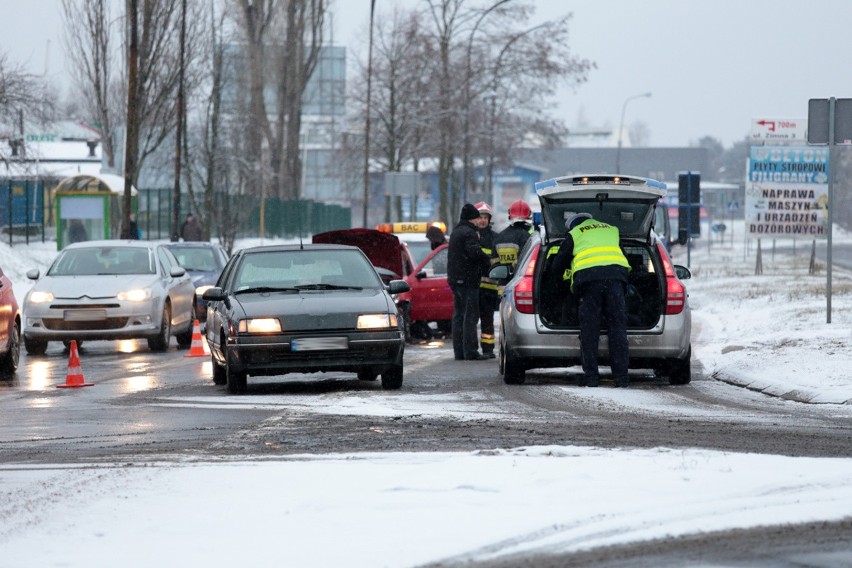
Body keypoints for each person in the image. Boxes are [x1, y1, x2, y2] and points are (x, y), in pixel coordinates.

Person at [551, 212, 631, 388]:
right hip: (616, 279)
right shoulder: (611, 230)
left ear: (572, 225)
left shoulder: (575, 234)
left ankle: (592, 377)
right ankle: (621, 377)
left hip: (589, 281)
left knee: (590, 329)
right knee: (617, 328)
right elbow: (624, 256)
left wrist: (557, 284)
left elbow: (558, 265)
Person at [447, 203, 492, 361]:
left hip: (455, 279)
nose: (478, 220)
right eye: (477, 217)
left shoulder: (456, 231)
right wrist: (488, 261)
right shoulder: (469, 233)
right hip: (468, 280)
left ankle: (459, 351)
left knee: (458, 315)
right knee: (470, 316)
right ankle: (471, 351)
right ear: (471, 218)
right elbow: (475, 253)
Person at [473, 201, 499, 358]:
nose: (483, 220)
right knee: (471, 320)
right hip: (474, 287)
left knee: (487, 321)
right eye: (480, 217)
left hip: (489, 288)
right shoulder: (471, 236)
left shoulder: (495, 238)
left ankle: (488, 350)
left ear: (489, 219)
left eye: (485, 217)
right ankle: (471, 349)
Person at [495, 200, 533, 272]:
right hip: (520, 279)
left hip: (502, 280)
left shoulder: (499, 237)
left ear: (510, 216)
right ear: (528, 217)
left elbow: (494, 265)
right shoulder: (528, 238)